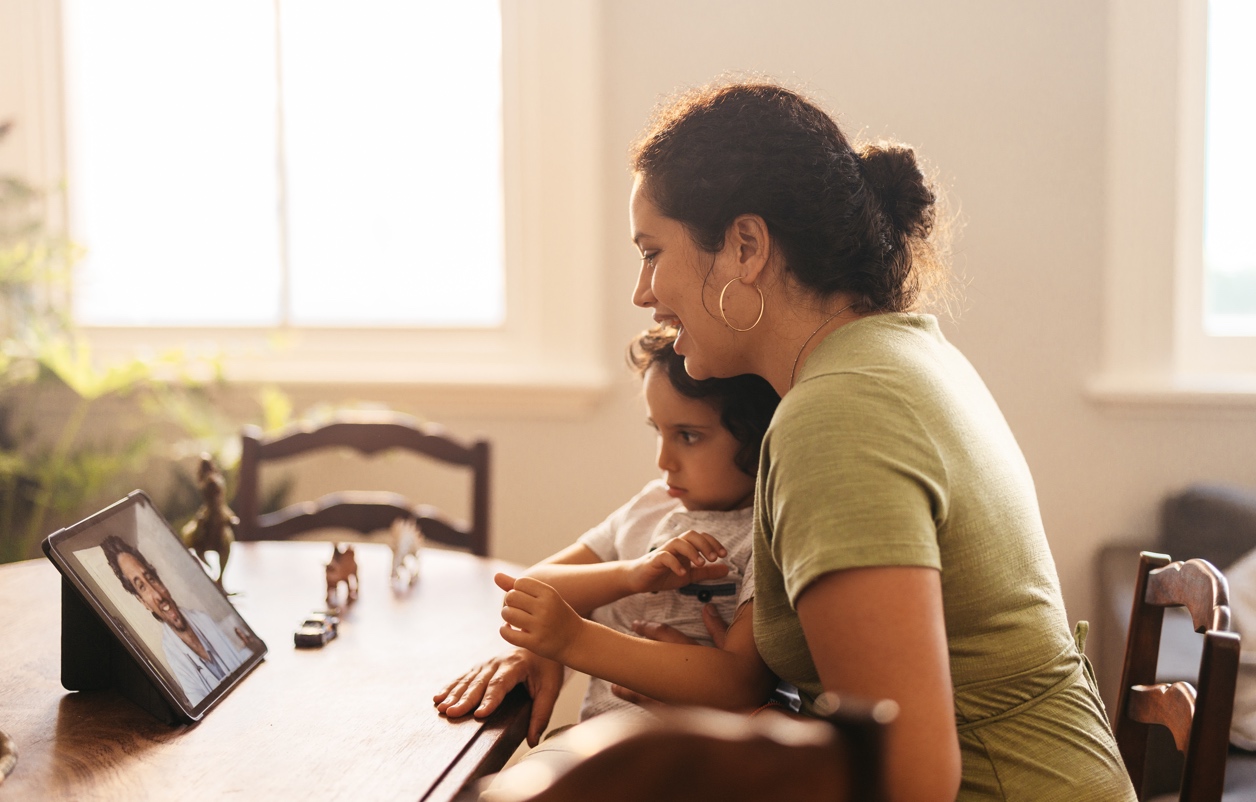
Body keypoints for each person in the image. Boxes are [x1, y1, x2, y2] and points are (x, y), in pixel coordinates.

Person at [615, 81, 1136, 801]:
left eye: (651, 252)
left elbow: (907, 780)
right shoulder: (898, 354)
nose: (643, 291)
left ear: (745, 246)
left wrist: (707, 725)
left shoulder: (836, 416)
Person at [435, 327, 781, 743]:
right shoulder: (651, 506)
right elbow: (529, 588)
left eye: (688, 436)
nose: (664, 459)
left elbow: (740, 682)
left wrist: (574, 639)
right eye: (659, 431)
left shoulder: (764, 531)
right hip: (594, 740)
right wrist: (629, 574)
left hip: (695, 760)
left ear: (758, 435)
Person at [102, 534, 255, 706]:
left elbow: (242, 662)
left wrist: (251, 647)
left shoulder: (202, 619)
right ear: (142, 601)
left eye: (151, 579)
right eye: (142, 587)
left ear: (161, 580)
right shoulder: (174, 658)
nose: (158, 595)